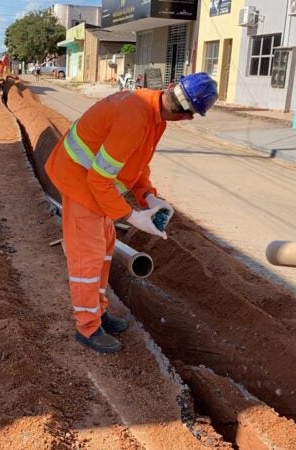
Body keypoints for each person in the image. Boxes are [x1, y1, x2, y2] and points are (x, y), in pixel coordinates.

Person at [45, 73, 219, 354]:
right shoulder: (135, 118)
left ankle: (98, 313)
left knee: (105, 249)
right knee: (87, 260)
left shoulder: (154, 111)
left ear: (172, 88)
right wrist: (132, 216)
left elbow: (136, 163)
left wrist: (148, 196)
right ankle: (87, 328)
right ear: (186, 115)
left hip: (93, 184)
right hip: (79, 183)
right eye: (192, 116)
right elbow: (99, 180)